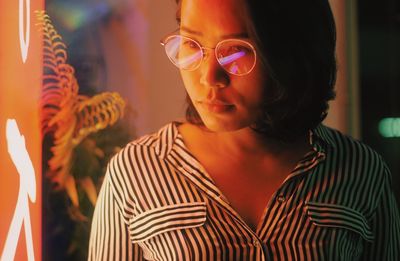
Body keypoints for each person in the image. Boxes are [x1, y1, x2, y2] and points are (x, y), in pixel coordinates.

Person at [88, 0, 400, 260]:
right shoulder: (137, 171)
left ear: (291, 54)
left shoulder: (360, 171)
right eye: (191, 44)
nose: (210, 77)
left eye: (237, 51)